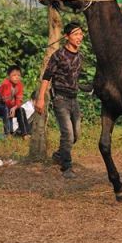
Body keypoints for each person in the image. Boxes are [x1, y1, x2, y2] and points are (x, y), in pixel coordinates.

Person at [35, 22, 84, 179]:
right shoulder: (58, 55)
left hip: (74, 99)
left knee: (76, 135)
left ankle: (58, 155)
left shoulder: (80, 56)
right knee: (68, 133)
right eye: (76, 34)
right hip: (60, 99)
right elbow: (46, 77)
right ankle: (66, 167)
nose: (79, 37)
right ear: (67, 36)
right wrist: (41, 99)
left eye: (81, 34)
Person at [0, 65, 30, 137]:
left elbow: (19, 100)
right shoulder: (5, 84)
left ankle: (25, 133)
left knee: (21, 110)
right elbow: (7, 101)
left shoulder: (19, 85)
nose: (17, 77)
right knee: (5, 108)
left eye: (18, 75)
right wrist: (12, 108)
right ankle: (8, 134)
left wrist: (15, 108)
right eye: (14, 75)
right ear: (8, 76)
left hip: (6, 105)